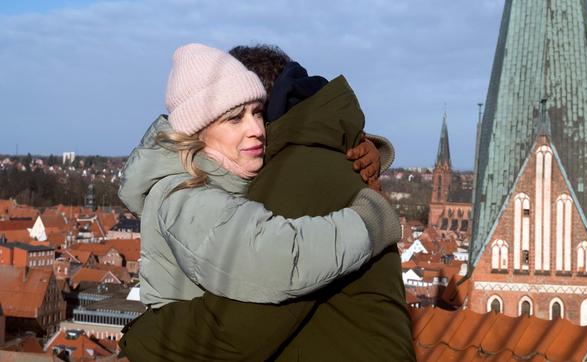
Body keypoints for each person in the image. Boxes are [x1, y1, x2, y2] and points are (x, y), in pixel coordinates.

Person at [117, 43, 402, 360]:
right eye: (235, 117)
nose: (256, 130)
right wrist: (375, 217)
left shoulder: (278, 174)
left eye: (257, 113)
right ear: (197, 132)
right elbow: (277, 266)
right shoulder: (186, 196)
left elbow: (239, 325)